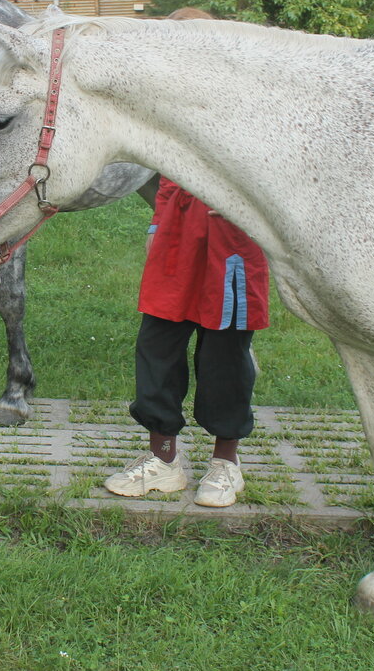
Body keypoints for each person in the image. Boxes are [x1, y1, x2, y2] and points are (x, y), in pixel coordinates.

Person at [104, 176, 269, 507]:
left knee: (225, 358)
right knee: (157, 348)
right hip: (177, 236)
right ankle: (163, 460)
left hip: (234, 242)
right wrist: (157, 225)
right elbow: (171, 168)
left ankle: (225, 464)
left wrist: (247, 205)